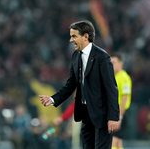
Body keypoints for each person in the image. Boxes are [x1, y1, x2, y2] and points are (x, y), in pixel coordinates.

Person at [39, 20, 120, 149]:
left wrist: (113, 117)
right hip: (85, 114)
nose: (71, 40)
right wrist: (53, 99)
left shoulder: (102, 57)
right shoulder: (76, 56)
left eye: (74, 36)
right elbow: (71, 84)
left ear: (86, 36)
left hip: (101, 115)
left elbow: (111, 89)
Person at [111, 53, 132, 149]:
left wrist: (120, 116)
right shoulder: (114, 77)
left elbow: (125, 98)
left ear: (121, 64)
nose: (112, 65)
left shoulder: (124, 78)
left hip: (119, 114)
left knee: (112, 144)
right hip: (115, 114)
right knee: (118, 144)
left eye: (114, 62)